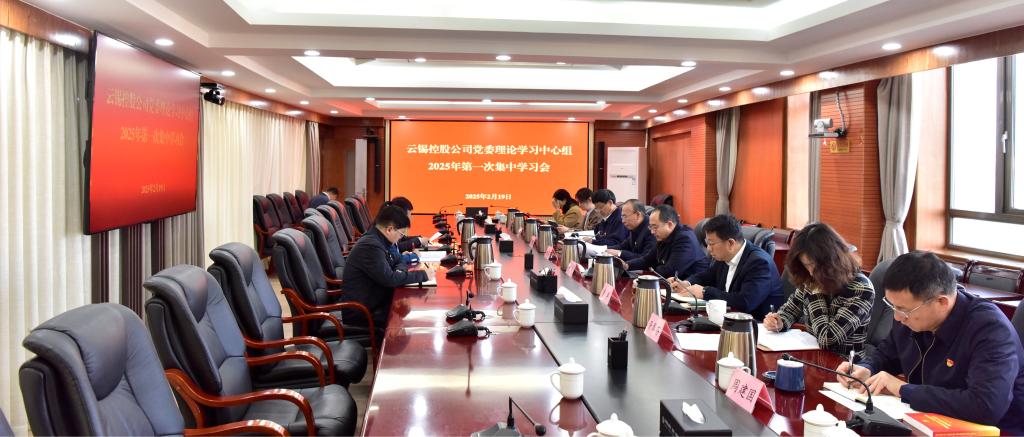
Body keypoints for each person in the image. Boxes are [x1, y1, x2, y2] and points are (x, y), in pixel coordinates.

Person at [836, 251, 1024, 433]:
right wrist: (868, 367)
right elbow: (888, 352)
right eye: (892, 306)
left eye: (903, 309)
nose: (897, 317)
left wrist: (902, 389)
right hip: (927, 421)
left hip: (994, 430)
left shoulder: (990, 330)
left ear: (942, 302)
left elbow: (985, 406)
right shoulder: (910, 315)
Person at [763, 223, 874, 359]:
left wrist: (816, 292)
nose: (810, 272)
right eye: (806, 265)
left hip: (842, 363)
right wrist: (779, 321)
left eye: (813, 265)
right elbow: (791, 310)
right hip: (811, 356)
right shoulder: (811, 277)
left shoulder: (860, 289)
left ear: (832, 259)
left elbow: (827, 339)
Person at [340, 205, 434, 332]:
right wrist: (423, 275)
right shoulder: (371, 246)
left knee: (409, 311)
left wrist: (398, 272)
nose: (400, 239)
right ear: (389, 229)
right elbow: (390, 279)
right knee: (410, 322)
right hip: (362, 312)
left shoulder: (381, 239)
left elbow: (399, 260)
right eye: (401, 234)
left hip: (376, 301)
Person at [670, 214, 783, 319]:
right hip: (727, 318)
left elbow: (745, 302)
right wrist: (687, 283)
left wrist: (704, 292)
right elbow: (708, 275)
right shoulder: (725, 255)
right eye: (707, 243)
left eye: (711, 244)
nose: (708, 249)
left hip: (757, 325)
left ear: (730, 243)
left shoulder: (759, 263)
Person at [624, 204, 708, 279]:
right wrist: (627, 265)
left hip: (691, 286)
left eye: (655, 227)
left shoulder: (685, 239)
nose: (652, 232)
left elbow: (670, 271)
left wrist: (649, 271)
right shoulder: (663, 236)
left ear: (670, 224)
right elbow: (647, 260)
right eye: (650, 227)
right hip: (673, 284)